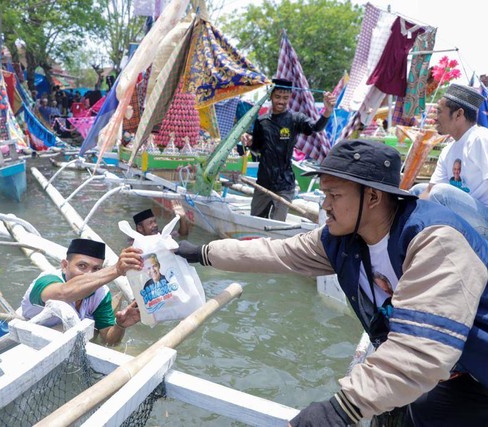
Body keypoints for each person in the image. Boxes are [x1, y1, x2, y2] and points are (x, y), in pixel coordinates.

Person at [175, 139, 488, 426]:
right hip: (451, 372)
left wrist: (343, 408)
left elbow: (421, 348)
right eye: (324, 194)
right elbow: (274, 252)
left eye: (335, 195)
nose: (325, 205)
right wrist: (200, 252)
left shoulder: (434, 240)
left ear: (375, 196)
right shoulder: (344, 241)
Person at [240, 79, 336, 221]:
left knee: (278, 224)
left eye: (285, 98)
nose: (281, 101)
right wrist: (249, 142)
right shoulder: (262, 121)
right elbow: (257, 150)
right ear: (271, 96)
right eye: (277, 97)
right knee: (255, 220)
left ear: (290, 97)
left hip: (284, 185)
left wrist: (327, 111)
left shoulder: (295, 119)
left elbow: (316, 127)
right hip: (263, 182)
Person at [21, 238, 143, 346]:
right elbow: (63, 293)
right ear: (64, 265)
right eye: (82, 266)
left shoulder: (101, 293)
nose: (89, 274)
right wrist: (116, 269)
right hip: (28, 344)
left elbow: (109, 341)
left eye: (96, 269)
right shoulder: (46, 281)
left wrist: (120, 325)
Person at [410, 83, 488, 237]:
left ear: (458, 114)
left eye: (439, 112)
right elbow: (428, 191)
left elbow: (438, 193)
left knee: (441, 193)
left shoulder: (480, 138)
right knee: (416, 191)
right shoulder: (448, 150)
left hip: (484, 219)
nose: (434, 118)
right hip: (468, 215)